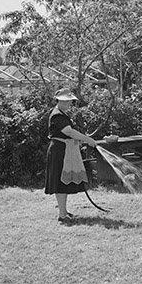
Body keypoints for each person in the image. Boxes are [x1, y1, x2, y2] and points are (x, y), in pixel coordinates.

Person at [44, 89, 99, 223]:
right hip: (59, 151)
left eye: (69, 101)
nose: (69, 103)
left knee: (63, 181)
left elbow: (68, 134)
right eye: (66, 101)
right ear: (59, 100)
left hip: (63, 149)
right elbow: (68, 132)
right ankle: (62, 215)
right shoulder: (58, 115)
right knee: (61, 181)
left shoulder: (61, 113)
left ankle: (63, 212)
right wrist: (87, 139)